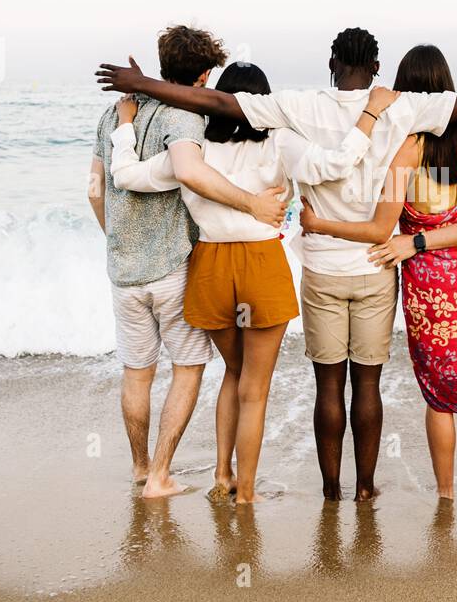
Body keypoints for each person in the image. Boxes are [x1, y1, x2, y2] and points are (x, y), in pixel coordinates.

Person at [96, 28, 457, 501]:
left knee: (305, 382)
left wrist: (144, 87)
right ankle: (364, 488)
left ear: (331, 64)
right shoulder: (403, 107)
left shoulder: (297, 107)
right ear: (377, 68)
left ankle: (316, 489)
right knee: (366, 382)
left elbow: (219, 107)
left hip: (303, 270)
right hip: (374, 266)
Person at [107, 63, 400, 503]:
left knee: (234, 373)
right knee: (255, 390)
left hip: (209, 267)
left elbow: (125, 175)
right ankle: (245, 493)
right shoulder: (280, 142)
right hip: (260, 265)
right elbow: (338, 163)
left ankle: (222, 476)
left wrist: (125, 128)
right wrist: (370, 115)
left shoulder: (194, 147)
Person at [300, 44, 457, 502]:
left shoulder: (407, 149)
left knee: (439, 393)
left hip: (430, 280)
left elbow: (380, 227)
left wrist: (319, 224)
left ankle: (445, 494)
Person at [87, 25, 286, 499]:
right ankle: (168, 477)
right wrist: (253, 205)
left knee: (138, 371)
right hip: (179, 266)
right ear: (202, 76)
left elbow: (98, 188)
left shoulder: (112, 115)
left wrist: (117, 240)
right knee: (196, 371)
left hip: (129, 269)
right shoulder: (189, 122)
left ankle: (149, 470)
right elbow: (191, 172)